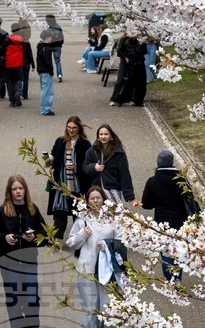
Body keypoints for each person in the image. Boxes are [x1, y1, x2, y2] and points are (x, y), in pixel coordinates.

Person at [0, 175, 47, 328]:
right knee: (14, 299)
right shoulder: (2, 212)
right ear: (9, 192)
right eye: (14, 189)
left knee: (31, 298)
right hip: (9, 263)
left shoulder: (33, 210)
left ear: (25, 190)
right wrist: (4, 238)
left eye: (20, 188)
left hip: (29, 263)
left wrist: (34, 237)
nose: (18, 191)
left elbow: (45, 235)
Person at [63, 187, 119, 328]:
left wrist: (107, 245)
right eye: (92, 198)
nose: (95, 201)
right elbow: (71, 243)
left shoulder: (112, 218)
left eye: (98, 198)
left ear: (103, 200)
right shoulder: (82, 219)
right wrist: (82, 234)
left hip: (107, 271)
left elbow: (122, 242)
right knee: (88, 308)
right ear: (87, 201)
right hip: (86, 270)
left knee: (107, 307)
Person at [140, 150, 189, 281]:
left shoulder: (153, 181)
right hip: (180, 222)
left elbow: (146, 204)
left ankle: (170, 281)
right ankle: (177, 279)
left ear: (158, 163)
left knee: (166, 253)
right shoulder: (182, 180)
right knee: (178, 252)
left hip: (162, 223)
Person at [46, 116, 92, 237]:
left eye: (74, 128)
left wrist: (77, 168)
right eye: (69, 127)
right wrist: (48, 159)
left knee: (79, 217)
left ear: (79, 128)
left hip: (78, 188)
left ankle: (80, 240)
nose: (71, 130)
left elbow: (89, 165)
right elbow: (54, 158)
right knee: (59, 215)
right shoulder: (60, 141)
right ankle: (56, 241)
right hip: (61, 187)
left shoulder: (85, 144)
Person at [83, 124, 135, 204]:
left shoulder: (118, 153)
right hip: (97, 190)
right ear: (98, 136)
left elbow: (124, 174)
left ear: (111, 136)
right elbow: (85, 167)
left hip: (113, 189)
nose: (103, 137)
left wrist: (128, 194)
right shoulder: (91, 151)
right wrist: (94, 168)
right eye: (101, 134)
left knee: (114, 211)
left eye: (106, 134)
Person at [109, 34, 148, 108]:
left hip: (140, 63)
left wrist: (142, 45)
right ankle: (119, 99)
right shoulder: (128, 42)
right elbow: (134, 53)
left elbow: (144, 51)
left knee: (142, 83)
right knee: (130, 82)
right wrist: (140, 46)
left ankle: (138, 101)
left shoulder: (138, 41)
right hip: (133, 64)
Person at [4, 22, 29, 107]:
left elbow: (2, 49)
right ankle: (18, 92)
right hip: (19, 63)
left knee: (10, 82)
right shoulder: (23, 40)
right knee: (18, 80)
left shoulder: (7, 40)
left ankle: (12, 100)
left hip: (9, 63)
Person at [36, 30, 57, 116]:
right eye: (50, 37)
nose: (51, 39)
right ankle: (45, 109)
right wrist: (51, 70)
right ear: (47, 38)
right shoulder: (46, 49)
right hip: (46, 71)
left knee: (45, 89)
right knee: (47, 90)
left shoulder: (41, 47)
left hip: (41, 71)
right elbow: (48, 61)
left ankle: (45, 108)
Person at [16, 19, 35, 100]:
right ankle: (25, 94)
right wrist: (33, 64)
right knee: (26, 78)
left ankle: (18, 91)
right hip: (26, 62)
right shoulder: (27, 42)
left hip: (19, 62)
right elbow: (30, 54)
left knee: (19, 78)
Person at [44, 14, 65, 82]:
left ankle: (49, 74)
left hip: (49, 46)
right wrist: (60, 44)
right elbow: (62, 38)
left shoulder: (48, 29)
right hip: (57, 46)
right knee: (58, 61)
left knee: (48, 61)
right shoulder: (58, 27)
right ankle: (59, 75)